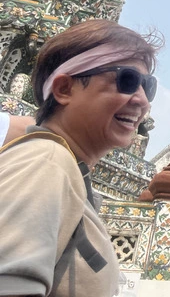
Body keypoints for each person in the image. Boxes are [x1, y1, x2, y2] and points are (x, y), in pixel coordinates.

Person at [0, 19, 160, 297]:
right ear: (64, 89)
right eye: (128, 80)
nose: (143, 101)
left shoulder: (68, 171)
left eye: (148, 86)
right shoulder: (46, 161)